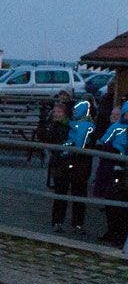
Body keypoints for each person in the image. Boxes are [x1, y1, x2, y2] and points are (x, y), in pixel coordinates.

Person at [54, 100, 95, 235]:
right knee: (64, 192)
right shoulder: (69, 125)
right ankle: (60, 222)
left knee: (77, 193)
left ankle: (75, 223)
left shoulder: (84, 127)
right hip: (68, 163)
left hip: (79, 164)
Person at [95, 102, 128, 246]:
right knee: (110, 200)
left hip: (121, 168)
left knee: (120, 203)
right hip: (109, 167)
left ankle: (120, 235)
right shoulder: (115, 128)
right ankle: (112, 231)